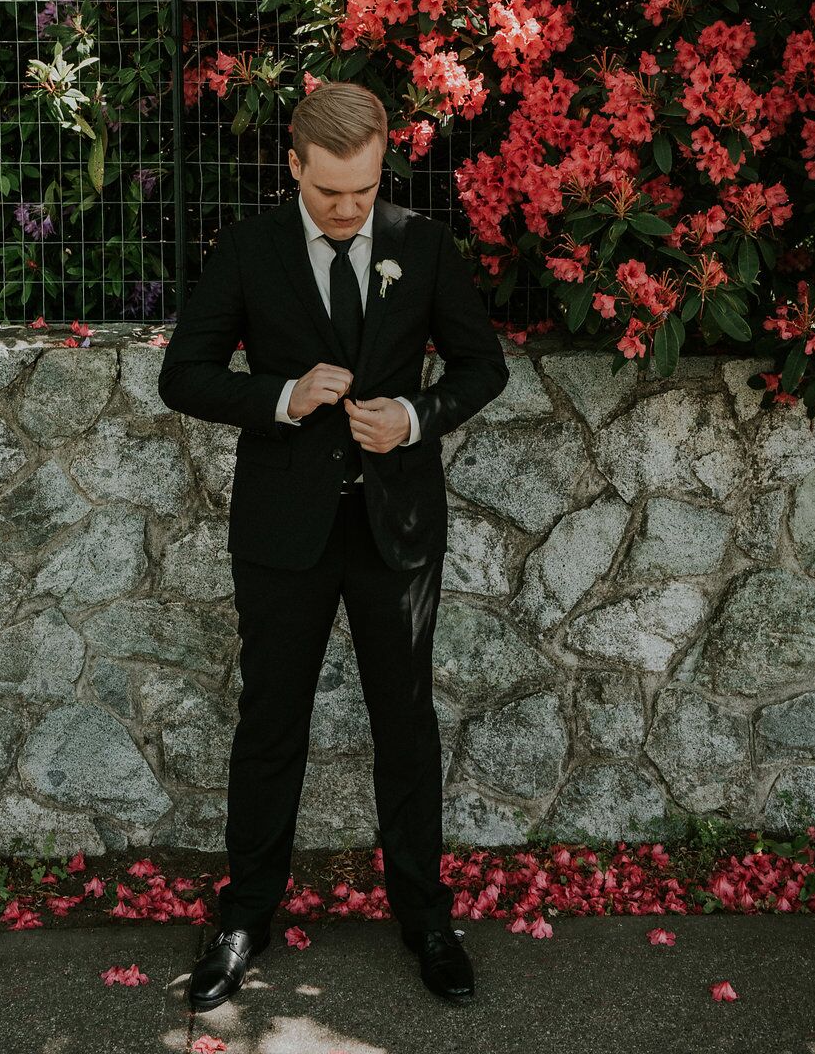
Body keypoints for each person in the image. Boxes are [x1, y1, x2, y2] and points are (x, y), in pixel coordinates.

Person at [157, 80, 510, 1012]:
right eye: (329, 195)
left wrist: (416, 416)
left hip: (396, 533)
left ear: (382, 163)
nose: (349, 211)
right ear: (295, 166)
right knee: (271, 725)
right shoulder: (247, 248)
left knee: (407, 726)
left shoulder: (422, 246)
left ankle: (428, 920)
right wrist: (279, 397)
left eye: (363, 191)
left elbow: (483, 365)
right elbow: (182, 375)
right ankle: (244, 919)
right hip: (283, 533)